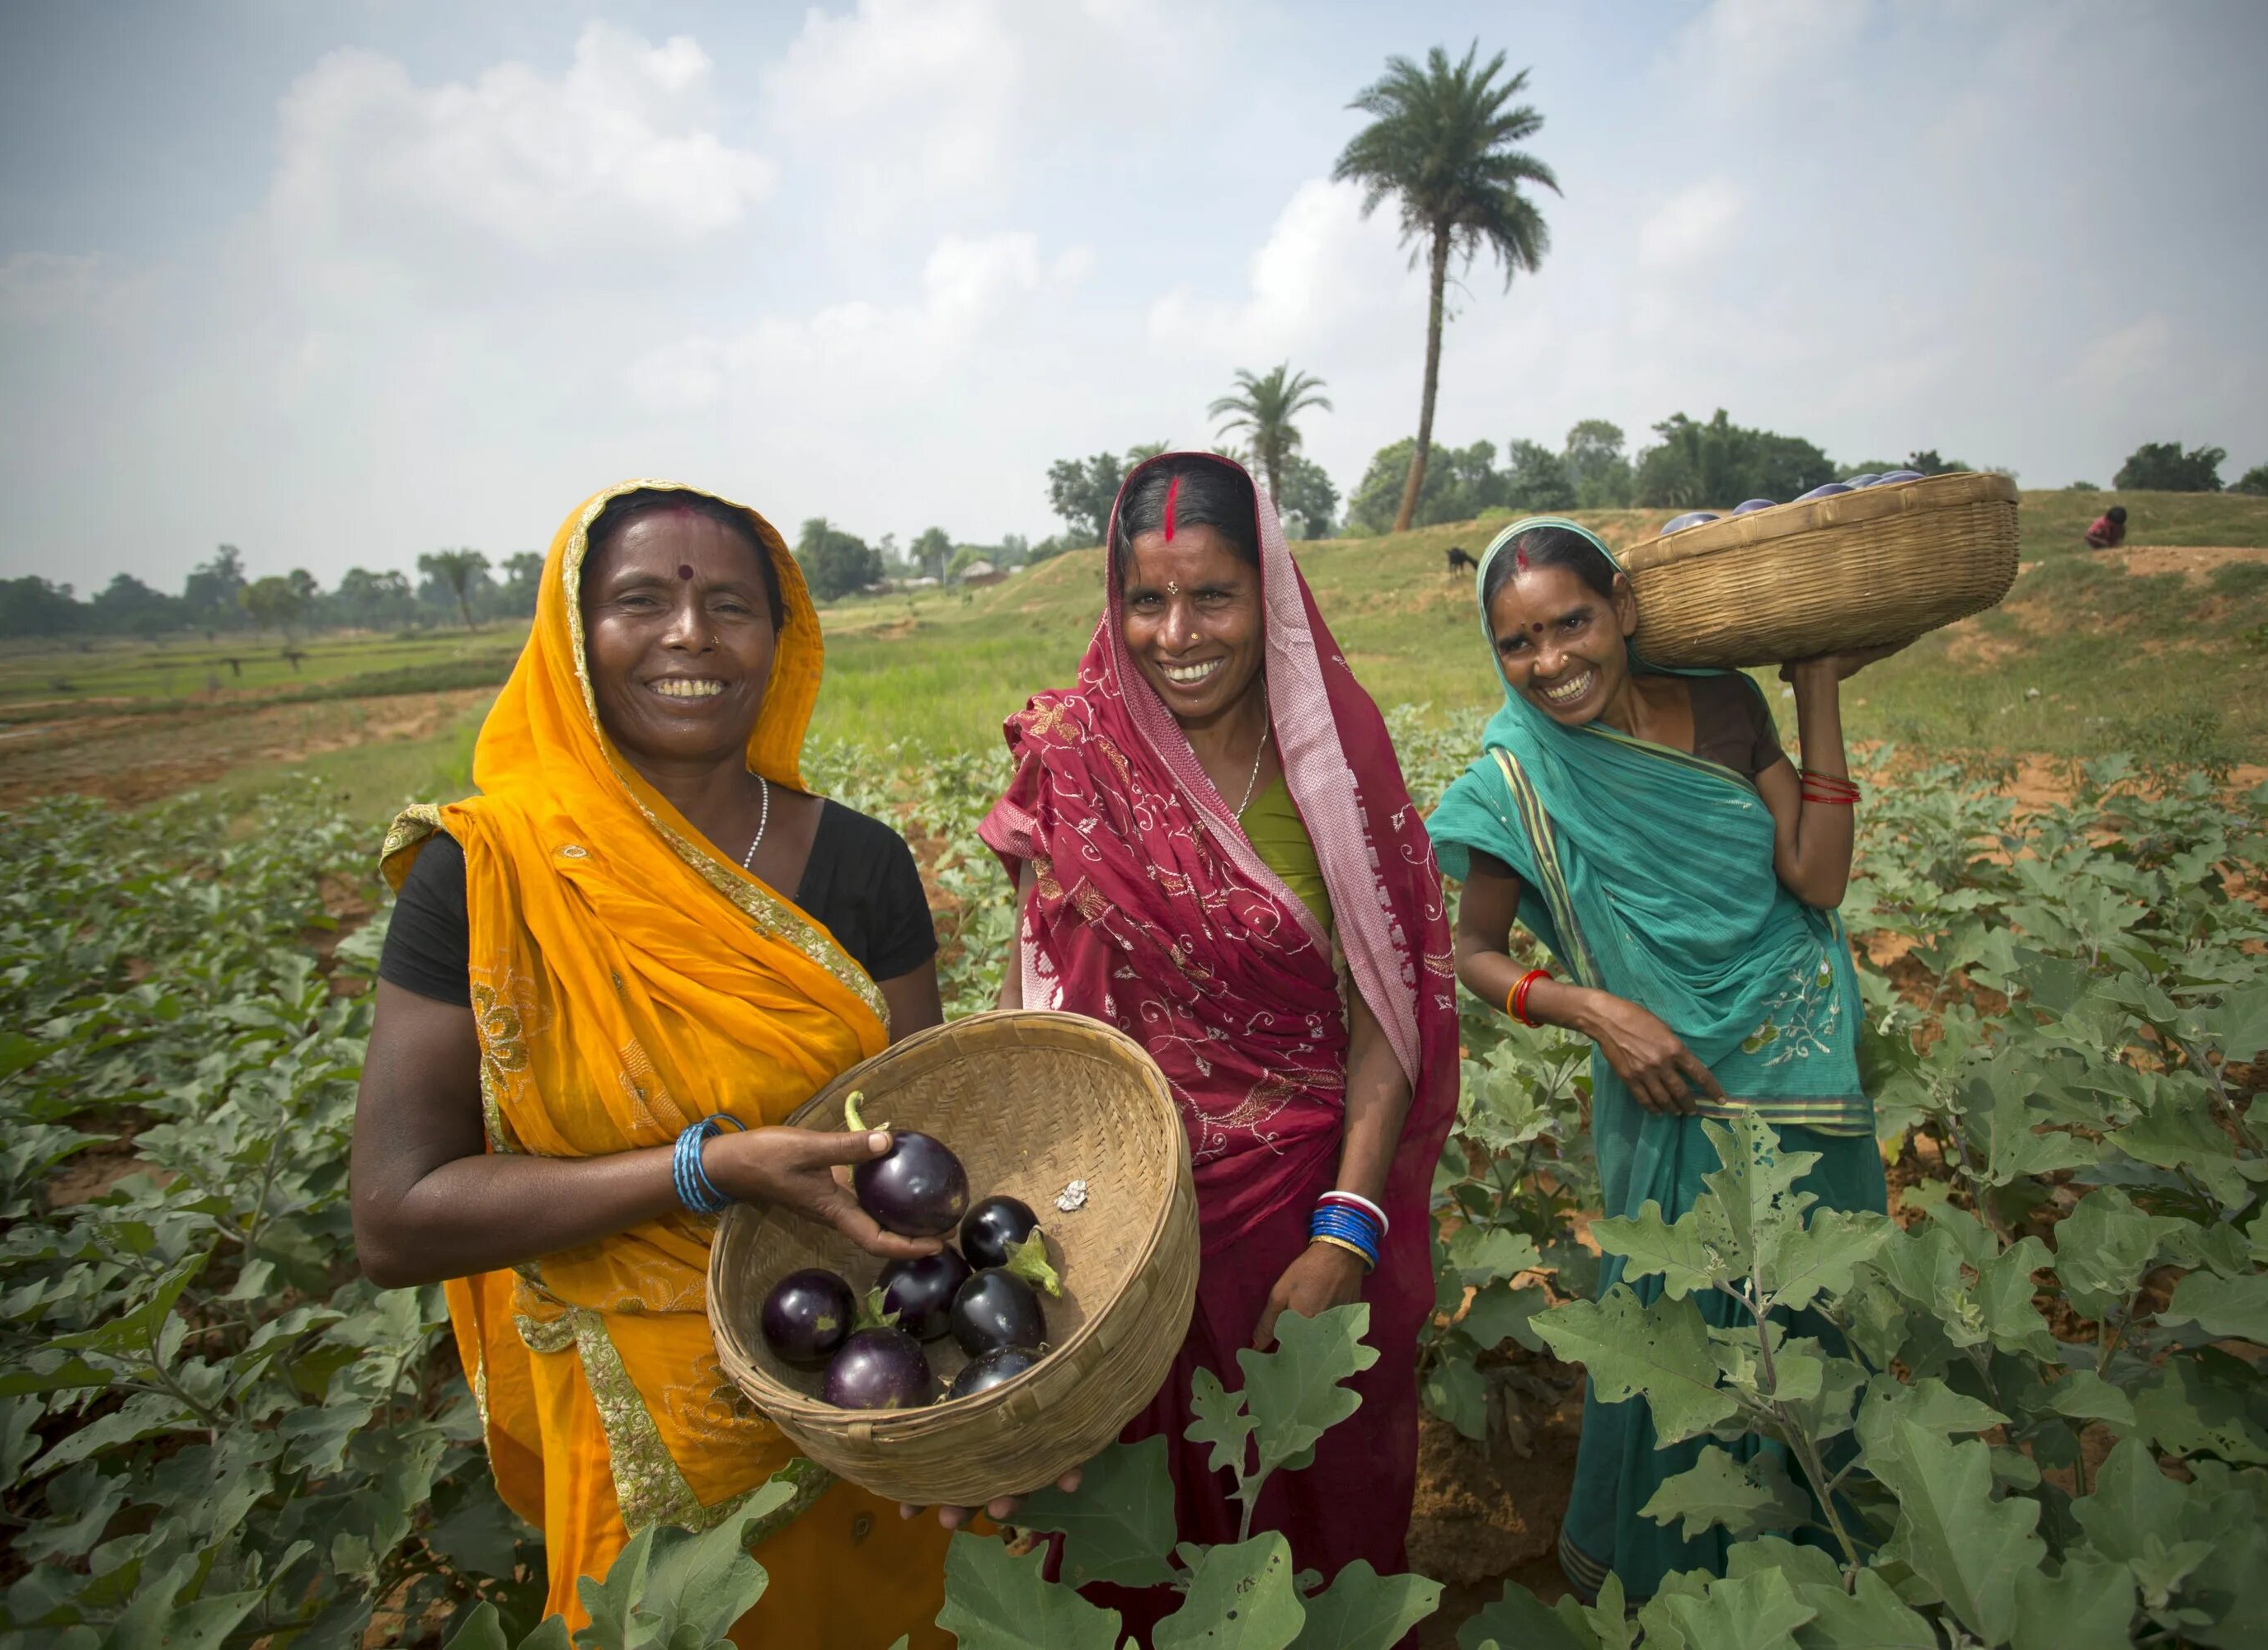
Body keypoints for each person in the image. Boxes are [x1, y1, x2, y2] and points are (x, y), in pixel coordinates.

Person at [350, 482, 1047, 1644]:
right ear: (575, 639)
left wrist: (985, 1404)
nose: (690, 634)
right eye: (640, 601)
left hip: (863, 1393)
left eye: (730, 604)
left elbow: (924, 1176)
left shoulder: (861, 863)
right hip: (648, 1460)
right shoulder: (485, 876)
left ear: (780, 642)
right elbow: (397, 1218)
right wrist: (701, 1169)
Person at [979, 453, 1459, 1632]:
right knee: (1130, 1533)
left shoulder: (1330, 762)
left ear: (1271, 595)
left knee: (1311, 1508)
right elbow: (1034, 1007)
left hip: (1297, 1218)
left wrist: (1344, 1234)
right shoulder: (1078, 759)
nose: (1176, 632)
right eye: (1146, 598)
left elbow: (1386, 1019)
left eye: (1213, 597)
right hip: (1121, 1229)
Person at [1424, 516, 1890, 1605]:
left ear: (1623, 607)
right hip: (1664, 1083)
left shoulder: (1726, 703)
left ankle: (1819, 1590)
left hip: (1796, 1047)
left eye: (1572, 623)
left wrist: (1816, 686)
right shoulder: (1514, 778)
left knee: (1804, 1322)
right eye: (1519, 644)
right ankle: (1690, 1600)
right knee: (1684, 1341)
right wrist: (1596, 1012)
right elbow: (1472, 953)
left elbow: (1815, 880)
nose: (1550, 663)